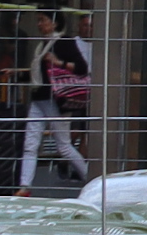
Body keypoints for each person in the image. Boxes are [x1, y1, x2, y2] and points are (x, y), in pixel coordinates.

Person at [20, 11, 97, 193]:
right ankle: (24, 185)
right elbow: (39, 73)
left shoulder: (63, 42)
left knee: (63, 145)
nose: (39, 24)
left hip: (55, 100)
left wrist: (58, 62)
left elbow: (81, 68)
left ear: (55, 23)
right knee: (31, 144)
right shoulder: (43, 45)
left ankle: (91, 179)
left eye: (43, 20)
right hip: (41, 98)